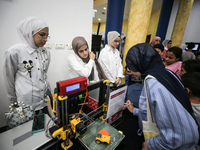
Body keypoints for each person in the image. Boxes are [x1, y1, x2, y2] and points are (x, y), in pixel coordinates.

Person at [124, 43, 199, 150]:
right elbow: (151, 110)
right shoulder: (166, 72)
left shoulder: (154, 83)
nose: (131, 72)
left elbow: (180, 136)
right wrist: (135, 111)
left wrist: (151, 145)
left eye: (132, 68)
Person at [3, 16, 51, 113]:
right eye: (42, 35)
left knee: (47, 126)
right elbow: (9, 81)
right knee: (28, 127)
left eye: (47, 36)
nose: (45, 39)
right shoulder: (14, 52)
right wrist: (14, 103)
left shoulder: (46, 52)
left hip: (45, 101)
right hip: (26, 104)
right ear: (29, 33)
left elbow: (44, 75)